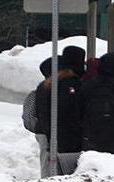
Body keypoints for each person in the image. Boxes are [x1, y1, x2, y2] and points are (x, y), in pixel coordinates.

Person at [34, 45, 87, 174]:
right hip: (64, 136)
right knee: (63, 170)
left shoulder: (46, 85)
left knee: (49, 168)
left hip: (47, 132)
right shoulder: (73, 85)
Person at [78, 52, 114, 155]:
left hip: (91, 137)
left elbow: (77, 111)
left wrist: (86, 127)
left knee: (92, 163)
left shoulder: (87, 86)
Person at [24, 58, 53, 177]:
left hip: (42, 132)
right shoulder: (55, 90)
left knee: (46, 162)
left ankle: (46, 181)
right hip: (49, 132)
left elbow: (28, 117)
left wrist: (38, 128)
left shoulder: (37, 92)